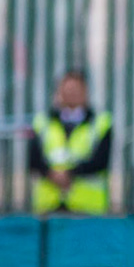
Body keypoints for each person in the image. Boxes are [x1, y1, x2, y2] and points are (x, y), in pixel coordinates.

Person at [27, 69, 112, 214]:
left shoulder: (100, 123)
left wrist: (70, 174)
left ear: (85, 92)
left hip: (87, 208)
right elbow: (34, 161)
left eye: (76, 90)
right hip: (49, 206)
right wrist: (52, 174)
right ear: (59, 92)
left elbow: (101, 161)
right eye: (67, 90)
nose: (71, 94)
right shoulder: (42, 122)